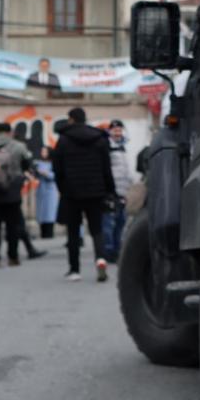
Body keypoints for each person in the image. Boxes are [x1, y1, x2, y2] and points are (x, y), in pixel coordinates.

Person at [51, 108, 117, 282]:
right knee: (97, 229)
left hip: (72, 193)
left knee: (73, 231)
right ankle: (101, 259)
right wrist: (110, 191)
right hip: (96, 191)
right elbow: (106, 168)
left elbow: (57, 168)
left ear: (71, 119)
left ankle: (74, 270)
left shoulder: (64, 140)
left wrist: (62, 188)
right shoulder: (100, 138)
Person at [0, 122, 36, 267]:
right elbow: (27, 164)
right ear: (10, 132)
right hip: (13, 190)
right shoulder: (18, 146)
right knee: (13, 225)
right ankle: (13, 257)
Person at [101, 120, 134, 261]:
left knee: (121, 221)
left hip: (123, 190)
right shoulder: (107, 147)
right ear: (110, 132)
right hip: (111, 191)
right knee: (109, 223)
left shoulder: (124, 147)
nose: (117, 132)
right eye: (115, 130)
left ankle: (117, 249)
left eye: (119, 130)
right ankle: (108, 251)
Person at [33, 142, 59, 239]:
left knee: (50, 212)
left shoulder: (53, 163)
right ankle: (43, 232)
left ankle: (49, 233)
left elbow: (54, 176)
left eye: (45, 152)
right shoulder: (39, 163)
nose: (42, 153)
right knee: (41, 212)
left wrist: (45, 173)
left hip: (50, 190)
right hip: (41, 189)